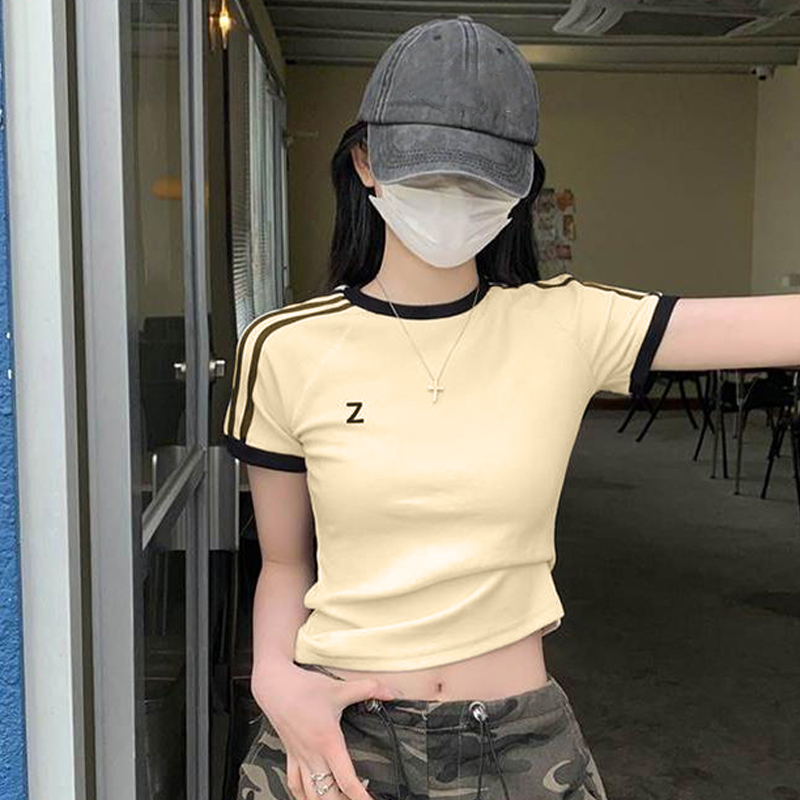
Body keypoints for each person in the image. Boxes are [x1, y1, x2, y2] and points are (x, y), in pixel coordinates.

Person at [224, 15, 799, 800]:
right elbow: (285, 561)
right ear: (366, 163)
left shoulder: (569, 323)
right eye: (431, 172)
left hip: (520, 746)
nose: (454, 199)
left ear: (521, 187)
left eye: (481, 179)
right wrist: (273, 679)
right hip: (335, 733)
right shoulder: (284, 346)